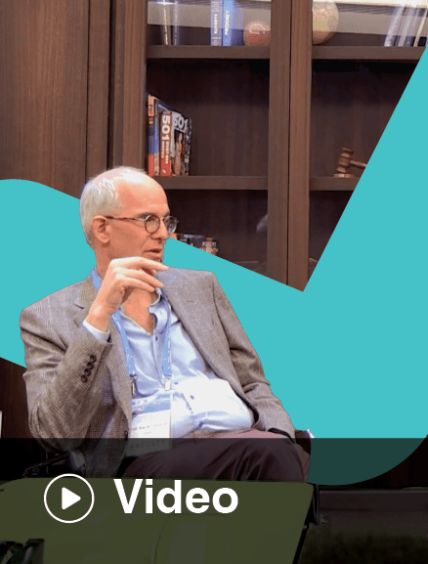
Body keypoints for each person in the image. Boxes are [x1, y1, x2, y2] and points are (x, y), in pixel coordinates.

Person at [20, 166, 307, 481]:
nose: (163, 234)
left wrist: (280, 433)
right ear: (102, 229)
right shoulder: (48, 317)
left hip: (242, 439)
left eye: (166, 221)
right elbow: (54, 432)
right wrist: (99, 315)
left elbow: (252, 381)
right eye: (148, 220)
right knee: (270, 459)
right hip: (149, 460)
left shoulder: (202, 287)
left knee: (277, 453)